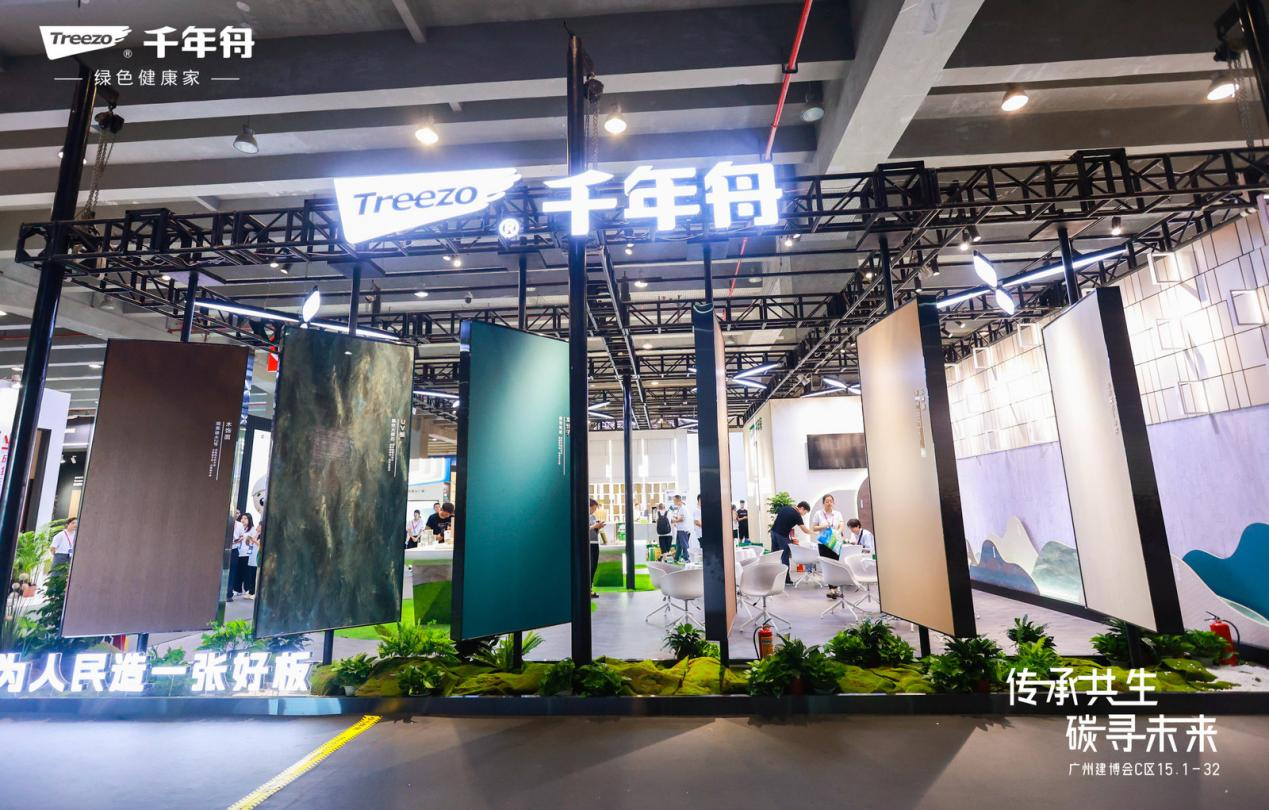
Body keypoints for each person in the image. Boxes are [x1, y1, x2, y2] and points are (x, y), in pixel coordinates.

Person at [811, 495, 846, 597]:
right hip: (823, 543)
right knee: (827, 566)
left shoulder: (838, 513)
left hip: (835, 542)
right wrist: (824, 526)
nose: (829, 503)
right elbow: (814, 528)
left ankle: (834, 589)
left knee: (835, 565)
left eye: (831, 501)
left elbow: (841, 525)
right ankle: (832, 589)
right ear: (823, 503)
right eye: (827, 501)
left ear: (833, 503)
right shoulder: (818, 513)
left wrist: (837, 532)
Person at [770, 500, 813, 584]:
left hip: (773, 532)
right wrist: (814, 532)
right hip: (782, 536)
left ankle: (772, 577)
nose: (803, 515)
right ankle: (786, 579)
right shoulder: (797, 515)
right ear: (802, 508)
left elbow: (783, 522)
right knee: (785, 557)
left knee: (774, 556)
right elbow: (805, 530)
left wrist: (791, 538)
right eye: (805, 513)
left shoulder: (785, 508)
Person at [230, 513, 254, 599]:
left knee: (246, 572)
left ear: (249, 520)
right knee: (237, 572)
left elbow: (251, 542)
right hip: (238, 552)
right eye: (242, 518)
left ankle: (248, 589)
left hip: (247, 554)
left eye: (245, 518)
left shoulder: (252, 529)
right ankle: (237, 589)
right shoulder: (238, 527)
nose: (243, 520)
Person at [588, 498, 605, 598]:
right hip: (588, 544)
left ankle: (590, 589)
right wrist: (595, 526)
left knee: (594, 566)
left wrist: (598, 527)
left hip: (595, 543)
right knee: (590, 567)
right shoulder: (584, 515)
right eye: (593, 508)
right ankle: (587, 590)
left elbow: (594, 530)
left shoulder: (593, 516)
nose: (594, 510)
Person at [243, 518, 262, 599]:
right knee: (250, 575)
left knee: (255, 576)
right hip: (251, 556)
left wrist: (254, 541)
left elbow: (260, 545)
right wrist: (249, 540)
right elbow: (250, 544)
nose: (257, 527)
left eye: (259, 525)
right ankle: (250, 591)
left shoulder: (262, 535)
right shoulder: (256, 534)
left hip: (257, 557)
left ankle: (254, 592)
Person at [671, 494, 692, 563]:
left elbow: (682, 519)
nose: (673, 502)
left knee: (684, 545)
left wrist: (674, 520)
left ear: (678, 500)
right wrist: (675, 518)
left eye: (674, 500)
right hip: (680, 529)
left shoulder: (683, 508)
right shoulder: (680, 508)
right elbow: (680, 517)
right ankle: (676, 558)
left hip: (683, 529)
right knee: (679, 545)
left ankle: (686, 559)